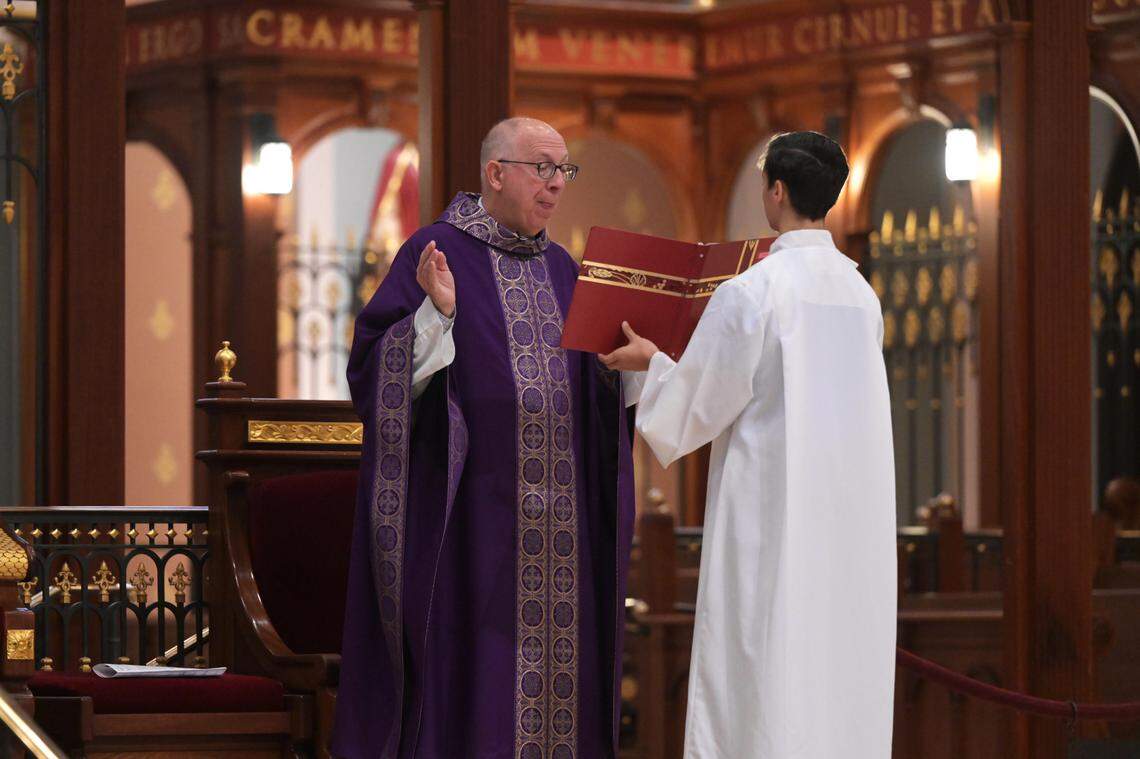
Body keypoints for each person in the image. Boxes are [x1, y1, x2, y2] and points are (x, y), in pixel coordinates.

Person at [333, 117, 637, 759]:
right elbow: (373, 375)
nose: (557, 185)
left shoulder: (565, 269)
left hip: (563, 539)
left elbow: (595, 396)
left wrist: (627, 373)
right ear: (496, 173)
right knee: (476, 697)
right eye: (543, 168)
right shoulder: (435, 250)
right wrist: (434, 314)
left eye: (564, 170)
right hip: (470, 527)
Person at [601, 131, 896, 758]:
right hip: (849, 530)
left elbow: (689, 413)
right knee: (836, 676)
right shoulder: (860, 295)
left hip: (769, 520)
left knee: (759, 669)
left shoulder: (753, 292)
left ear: (777, 191)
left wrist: (647, 362)